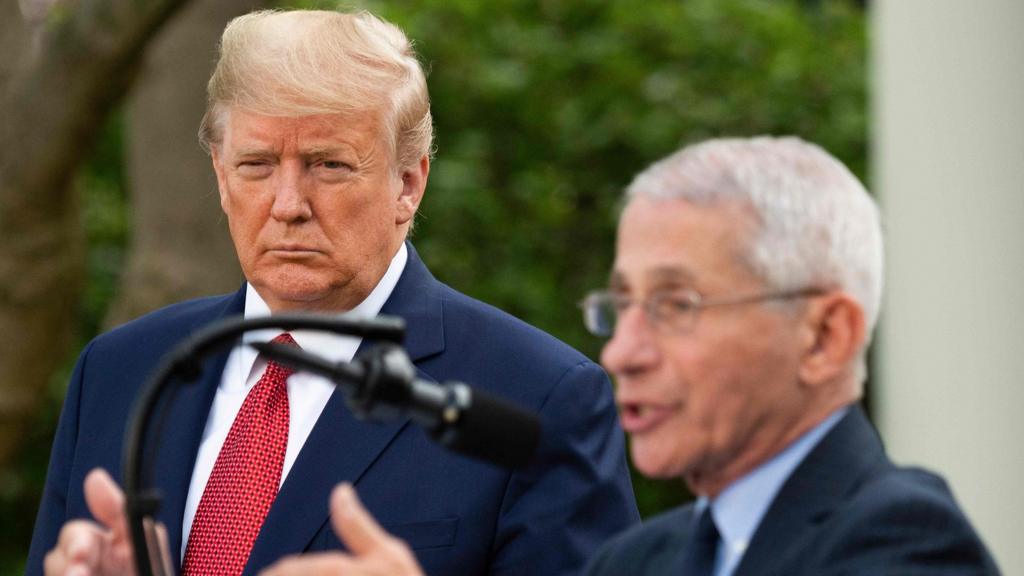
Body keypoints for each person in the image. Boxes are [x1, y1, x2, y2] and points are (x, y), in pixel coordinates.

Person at [27, 9, 639, 576]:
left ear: (408, 182)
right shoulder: (119, 372)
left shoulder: (539, 398)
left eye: (329, 165)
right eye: (257, 166)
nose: (288, 205)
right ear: (219, 174)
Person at [581, 136, 1000, 575]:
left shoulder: (906, 545)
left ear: (824, 337)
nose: (620, 353)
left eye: (677, 305)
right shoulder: (630, 562)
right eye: (624, 303)